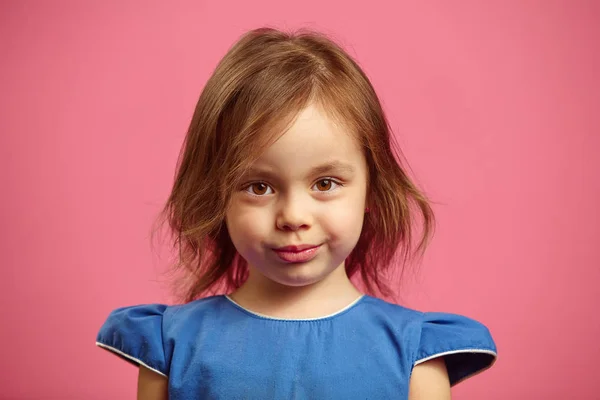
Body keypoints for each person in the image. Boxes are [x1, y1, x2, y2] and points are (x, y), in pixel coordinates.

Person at [96, 27, 497, 400]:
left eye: (325, 183)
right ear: (216, 194)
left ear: (372, 189)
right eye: (259, 187)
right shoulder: (169, 347)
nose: (293, 216)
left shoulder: (415, 357)